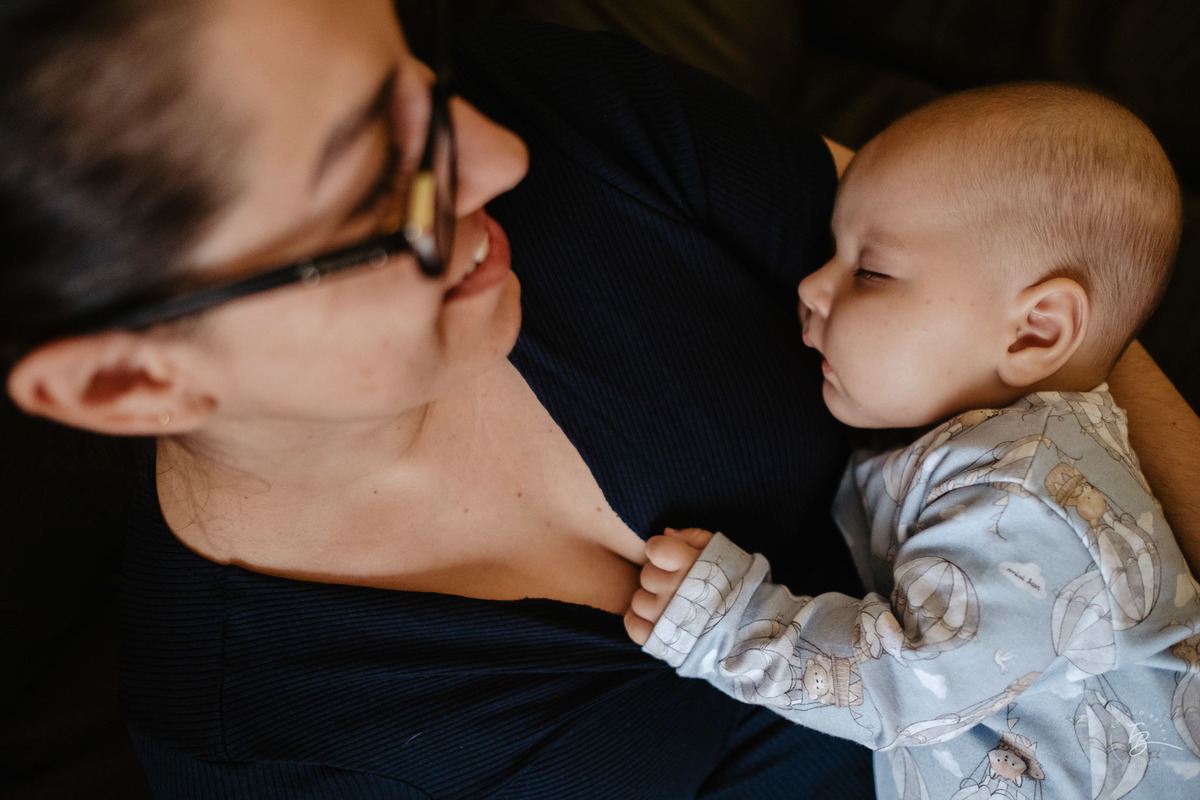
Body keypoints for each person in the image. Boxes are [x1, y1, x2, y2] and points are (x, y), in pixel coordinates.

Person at [1, 0, 1197, 795]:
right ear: (131, 376)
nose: (500, 155)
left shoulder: (555, 108)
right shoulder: (276, 748)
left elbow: (1032, 280)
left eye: (425, 75)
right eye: (381, 184)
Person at [625, 83, 1200, 799]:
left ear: (1036, 331)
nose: (811, 286)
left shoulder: (1029, 501)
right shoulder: (994, 455)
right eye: (832, 254)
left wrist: (730, 626)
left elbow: (907, 685)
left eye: (870, 272)